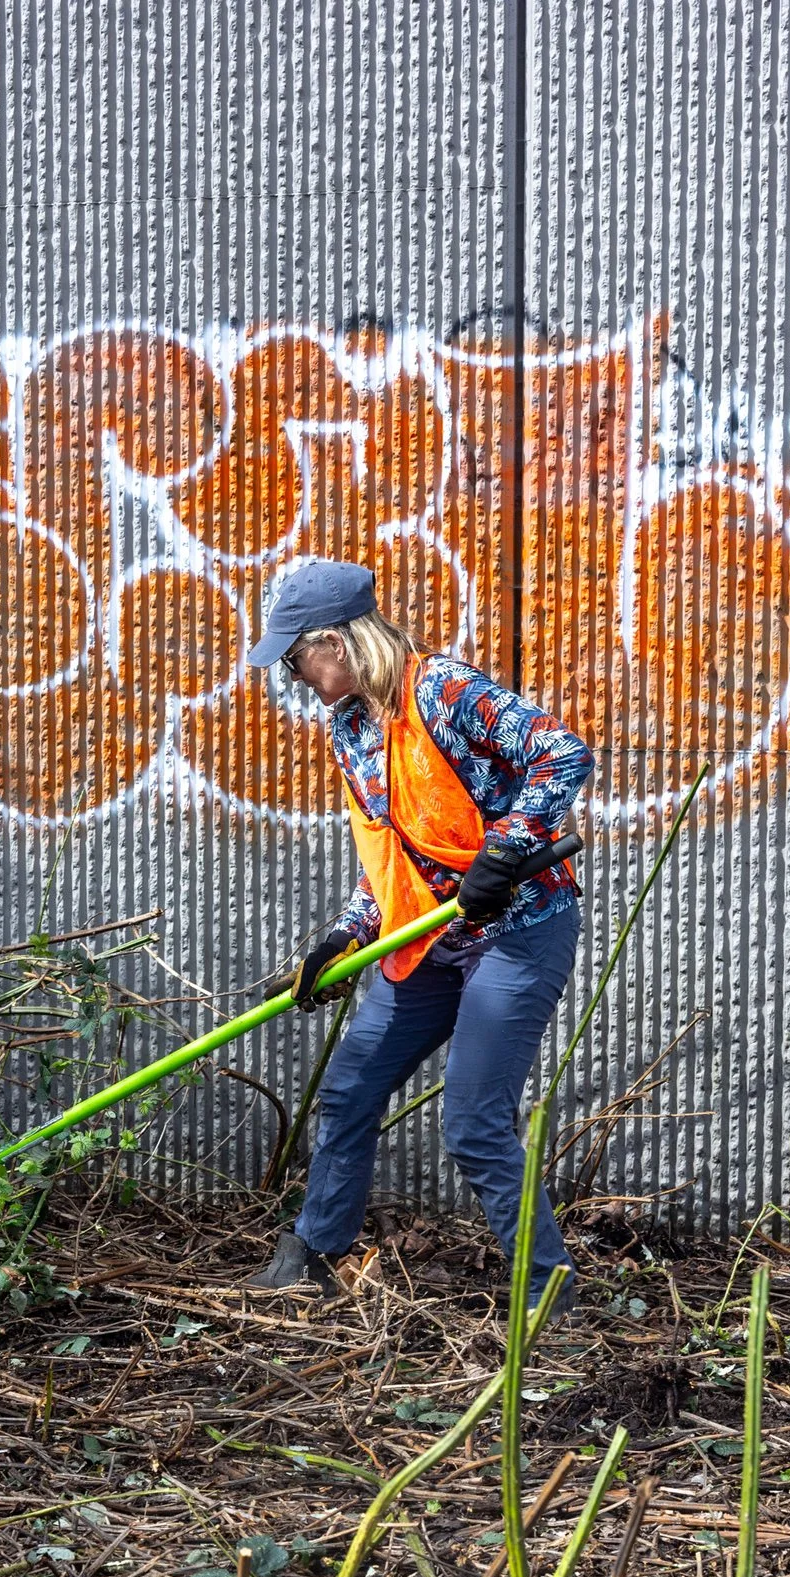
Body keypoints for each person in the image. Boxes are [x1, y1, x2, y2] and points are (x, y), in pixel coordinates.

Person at [240, 559, 593, 1312]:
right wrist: (341, 939)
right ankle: (315, 1250)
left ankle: (547, 1294)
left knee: (471, 1120)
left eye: (298, 657)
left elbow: (562, 750)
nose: (295, 675)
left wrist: (506, 850)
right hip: (427, 939)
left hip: (517, 930)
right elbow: (389, 852)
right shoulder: (350, 726)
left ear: (336, 642)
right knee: (349, 1089)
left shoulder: (445, 691)